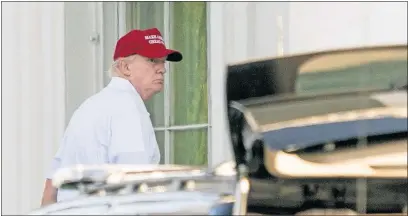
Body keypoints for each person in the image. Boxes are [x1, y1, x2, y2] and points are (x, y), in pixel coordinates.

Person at [40, 28, 183, 206]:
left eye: (163, 62)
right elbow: (134, 188)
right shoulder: (129, 109)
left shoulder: (90, 105)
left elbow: (51, 186)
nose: (162, 69)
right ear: (125, 67)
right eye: (152, 60)